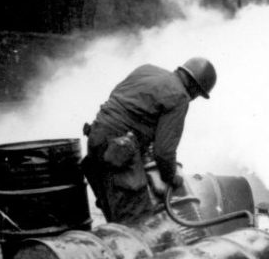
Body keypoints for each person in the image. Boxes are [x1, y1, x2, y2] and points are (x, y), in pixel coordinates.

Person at [82, 57, 216, 224]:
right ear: (195, 88)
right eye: (198, 94)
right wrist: (172, 177)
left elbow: (124, 104)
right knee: (137, 220)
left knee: (113, 215)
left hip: (96, 141)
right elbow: (164, 152)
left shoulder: (146, 69)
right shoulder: (179, 96)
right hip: (119, 152)